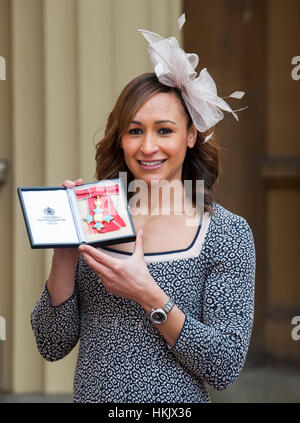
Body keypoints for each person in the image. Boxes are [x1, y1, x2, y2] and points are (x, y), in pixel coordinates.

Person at [30, 21, 256, 403]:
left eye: (164, 130)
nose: (147, 146)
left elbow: (225, 366)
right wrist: (66, 251)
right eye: (135, 131)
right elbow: (52, 344)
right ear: (120, 138)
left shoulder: (226, 233)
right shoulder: (97, 215)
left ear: (191, 135)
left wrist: (149, 295)